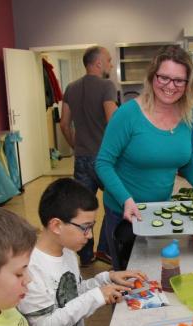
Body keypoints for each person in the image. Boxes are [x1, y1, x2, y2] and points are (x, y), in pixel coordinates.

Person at [95, 45, 193, 269]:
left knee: (158, 271)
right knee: (129, 279)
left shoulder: (189, 115)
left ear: (187, 83)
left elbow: (188, 161)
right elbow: (103, 163)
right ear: (152, 76)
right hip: (124, 212)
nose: (170, 86)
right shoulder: (127, 115)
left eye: (178, 80)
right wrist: (126, 199)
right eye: (163, 77)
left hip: (160, 211)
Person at [18, 178, 145, 326]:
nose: (90, 236)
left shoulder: (68, 251)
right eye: (85, 228)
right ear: (56, 225)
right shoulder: (29, 268)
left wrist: (106, 279)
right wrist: (96, 296)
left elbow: (75, 294)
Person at [59, 46, 118, 267]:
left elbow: (64, 124)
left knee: (83, 210)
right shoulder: (106, 86)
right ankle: (104, 249)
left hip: (81, 158)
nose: (111, 65)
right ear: (98, 63)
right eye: (109, 60)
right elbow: (113, 122)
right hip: (104, 160)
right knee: (114, 204)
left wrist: (76, 144)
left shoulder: (71, 88)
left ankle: (85, 256)